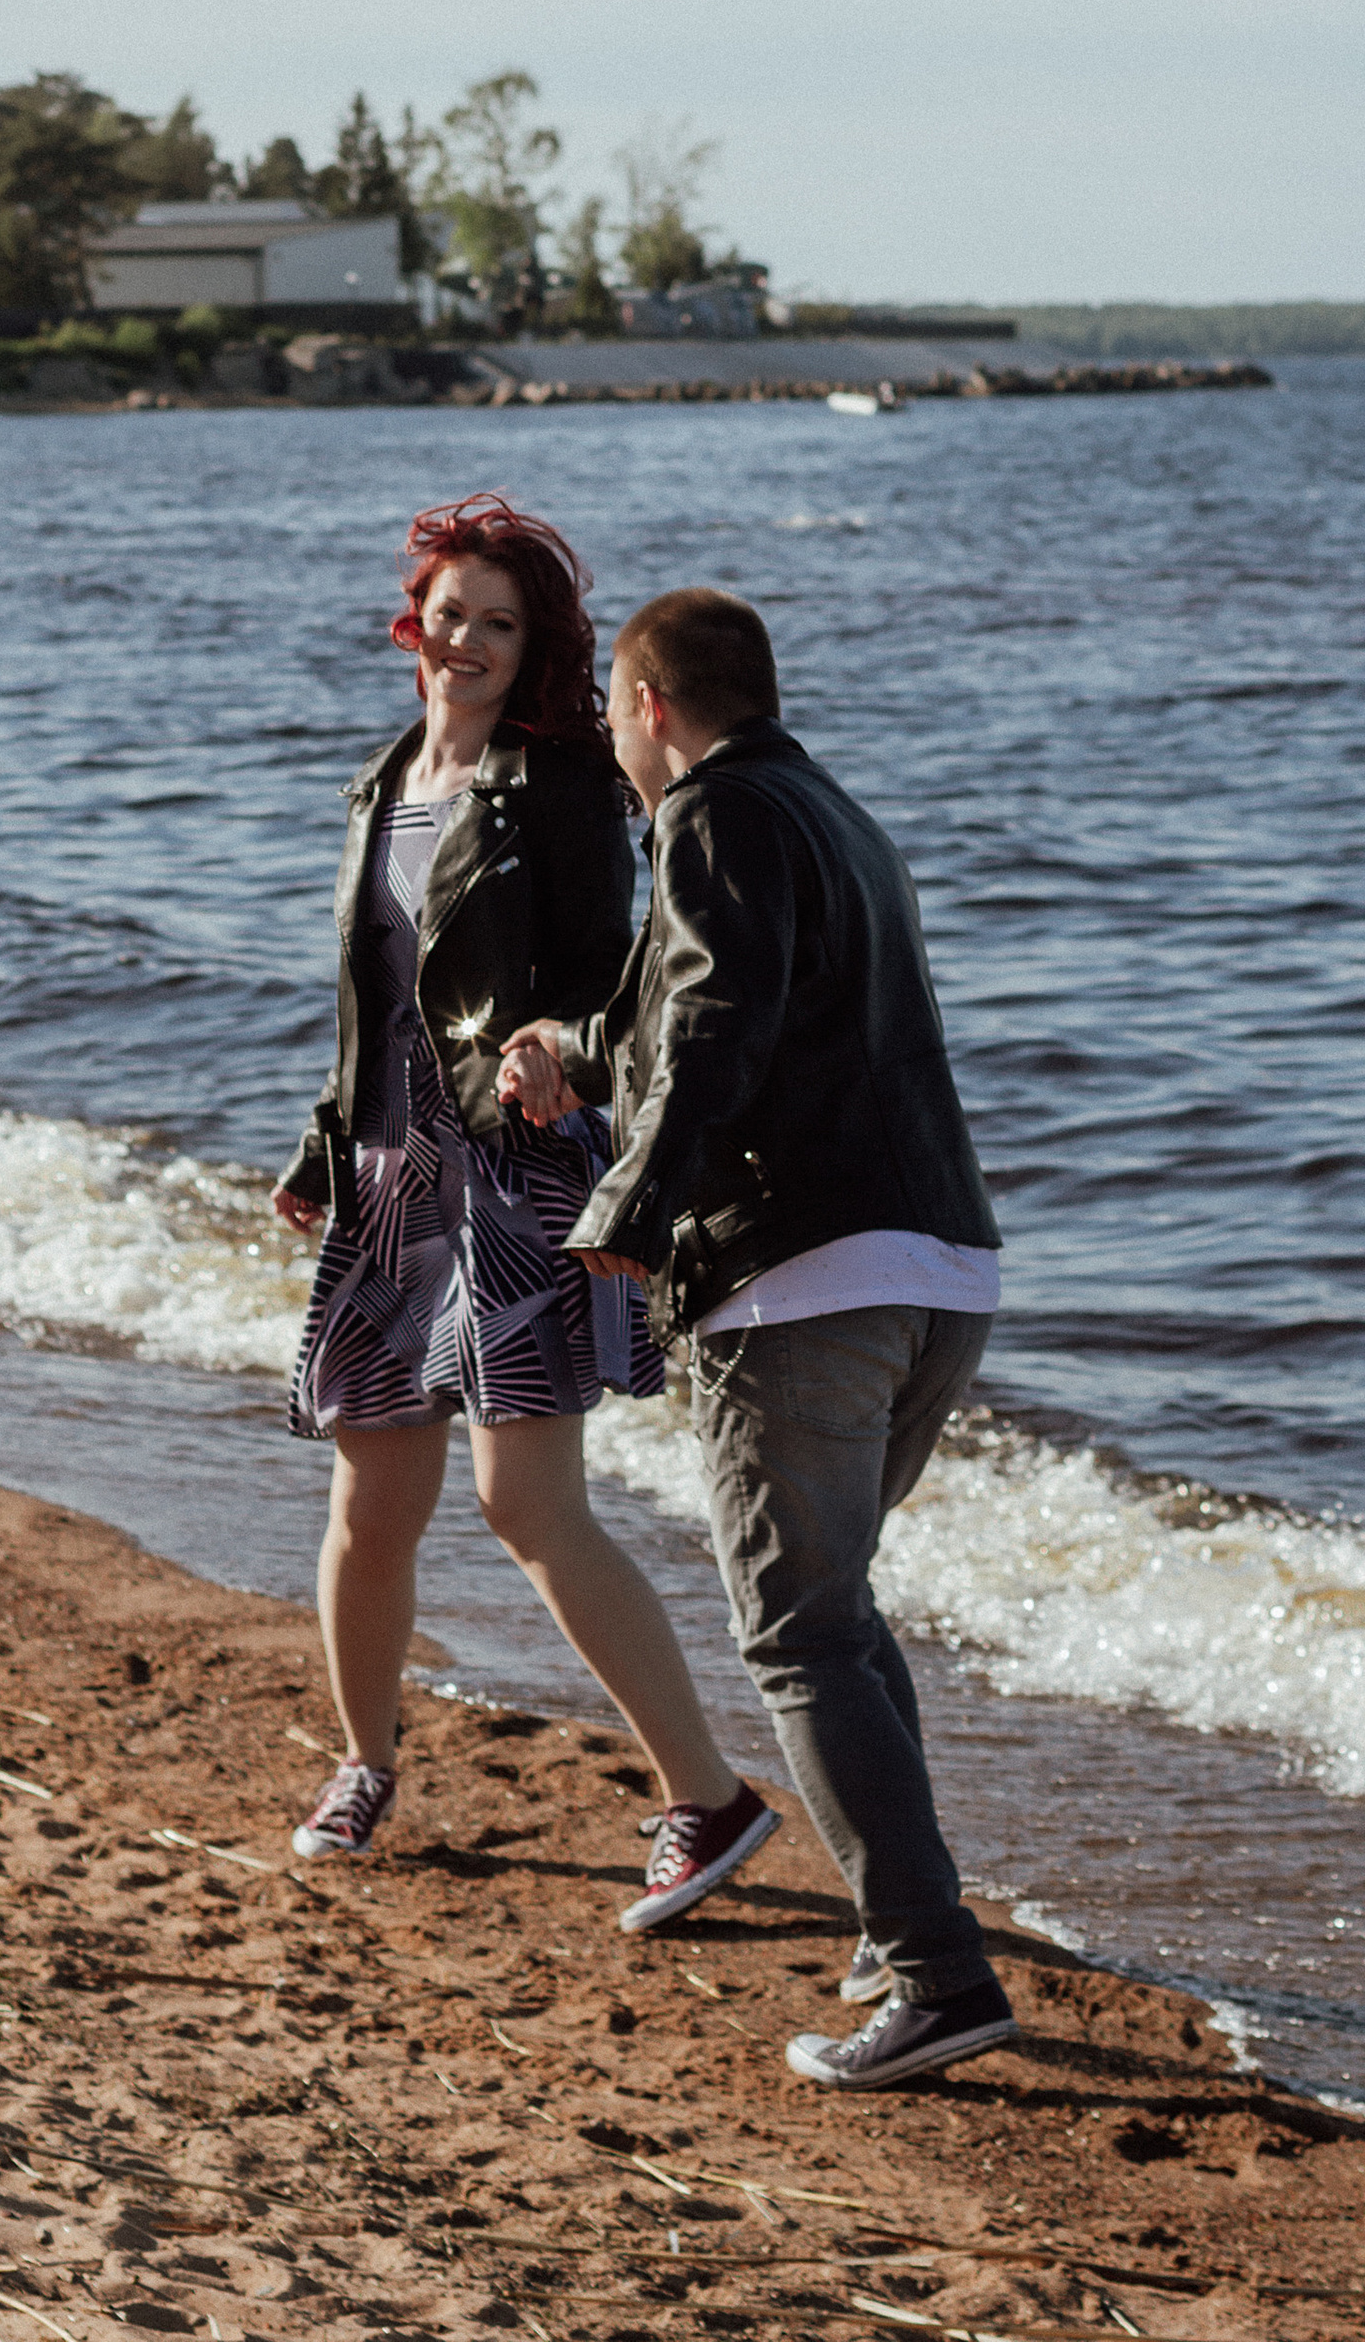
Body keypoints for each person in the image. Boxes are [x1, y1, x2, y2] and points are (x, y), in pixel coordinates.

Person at [500, 585, 1014, 2090]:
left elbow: (722, 1013)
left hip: (800, 1276)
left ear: (652, 705)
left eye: (613, 711)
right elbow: (716, 1013)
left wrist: (634, 1201)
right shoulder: (837, 811)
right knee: (837, 1614)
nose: (613, 739)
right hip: (938, 1267)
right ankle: (896, 1924)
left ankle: (933, 1974)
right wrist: (577, 1049)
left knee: (798, 1631)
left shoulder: (710, 815)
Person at [274, 495, 778, 1932]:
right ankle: (363, 1764)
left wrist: (554, 1045)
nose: (470, 640)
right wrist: (325, 1150)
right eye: (452, 612)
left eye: (502, 622)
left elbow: (622, 977)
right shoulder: (386, 779)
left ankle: (708, 1794)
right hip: (390, 1174)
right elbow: (372, 1002)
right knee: (369, 1505)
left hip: (512, 1160)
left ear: (535, 645)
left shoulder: (556, 785)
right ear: (412, 620)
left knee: (522, 1501)